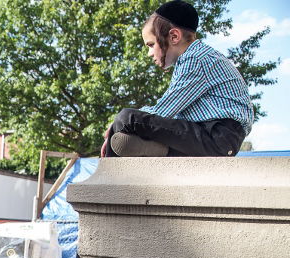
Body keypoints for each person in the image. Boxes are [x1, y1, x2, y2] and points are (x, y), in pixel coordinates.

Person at [101, 0, 253, 158]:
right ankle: (157, 150)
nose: (149, 53)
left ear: (174, 36)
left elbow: (163, 111)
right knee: (124, 137)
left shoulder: (196, 58)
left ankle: (108, 171)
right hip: (209, 137)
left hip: (216, 136)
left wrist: (117, 125)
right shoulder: (198, 57)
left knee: (127, 117)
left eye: (151, 45)